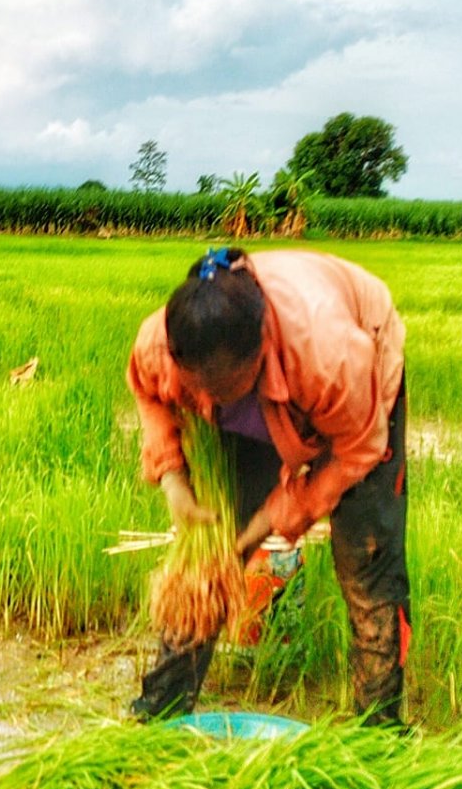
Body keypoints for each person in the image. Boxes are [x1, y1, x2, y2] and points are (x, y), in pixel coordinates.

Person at [126, 245, 410, 726]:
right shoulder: (162, 343)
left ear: (260, 349)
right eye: (196, 389)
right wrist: (175, 482)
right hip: (278, 389)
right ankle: (163, 709)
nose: (206, 404)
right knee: (210, 554)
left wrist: (278, 515)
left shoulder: (331, 357)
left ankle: (378, 734)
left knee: (367, 562)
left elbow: (356, 450)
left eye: (223, 390)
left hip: (356, 404)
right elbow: (147, 389)